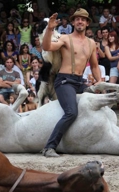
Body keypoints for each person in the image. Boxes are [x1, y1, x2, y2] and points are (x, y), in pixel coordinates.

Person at [40, 9, 101, 157]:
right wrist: (49, 29)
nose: (80, 21)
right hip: (65, 81)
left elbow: (94, 66)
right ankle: (49, 147)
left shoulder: (91, 43)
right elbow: (46, 47)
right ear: (73, 22)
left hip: (80, 82)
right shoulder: (65, 38)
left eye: (83, 19)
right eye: (77, 19)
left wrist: (99, 83)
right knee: (71, 112)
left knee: (100, 105)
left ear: (87, 23)